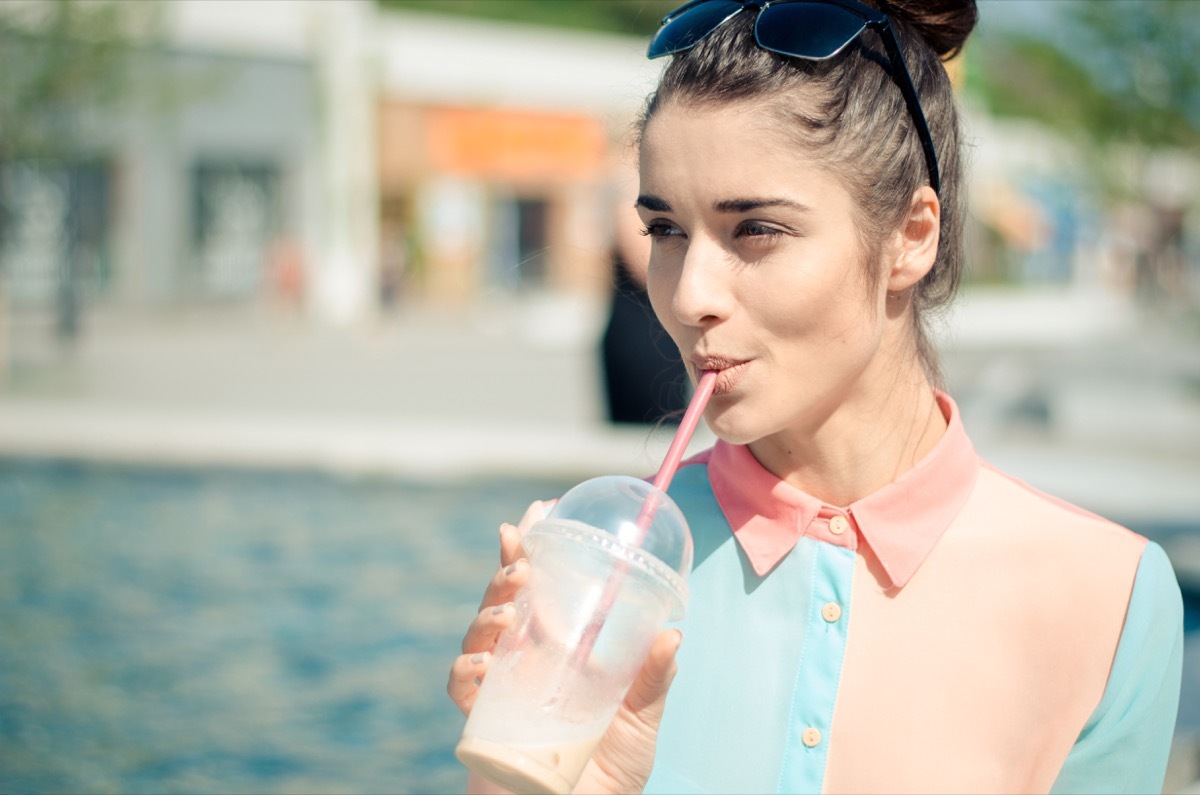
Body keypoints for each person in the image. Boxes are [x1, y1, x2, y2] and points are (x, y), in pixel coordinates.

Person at [448, 0, 1185, 792]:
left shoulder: (1110, 598)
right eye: (665, 231)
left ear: (911, 236)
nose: (689, 295)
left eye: (755, 229)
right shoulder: (586, 575)